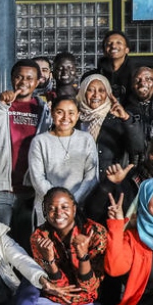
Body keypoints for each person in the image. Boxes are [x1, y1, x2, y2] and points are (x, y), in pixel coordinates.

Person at [27, 187, 109, 305]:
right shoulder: (39, 236)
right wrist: (49, 261)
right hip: (52, 303)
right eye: (52, 208)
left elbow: (90, 288)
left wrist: (83, 257)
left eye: (64, 207)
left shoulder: (95, 232)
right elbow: (57, 287)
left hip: (85, 304)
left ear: (74, 207)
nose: (58, 213)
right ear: (45, 211)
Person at [0, 60, 51, 245]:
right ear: (12, 79)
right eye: (19, 77)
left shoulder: (44, 110)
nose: (23, 82)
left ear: (37, 82)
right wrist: (3, 105)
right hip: (0, 189)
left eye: (29, 78)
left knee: (27, 244)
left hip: (31, 191)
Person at [28, 97, 99, 226]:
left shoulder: (86, 139)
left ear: (78, 115)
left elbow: (91, 176)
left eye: (71, 113)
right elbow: (37, 178)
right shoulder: (40, 141)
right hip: (48, 208)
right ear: (52, 113)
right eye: (60, 112)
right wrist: (58, 203)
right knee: (47, 244)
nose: (66, 117)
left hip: (79, 207)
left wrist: (72, 202)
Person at [75, 74, 145, 172]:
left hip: (108, 183)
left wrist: (126, 119)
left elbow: (138, 147)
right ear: (83, 92)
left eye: (101, 90)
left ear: (108, 93)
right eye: (90, 90)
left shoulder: (117, 118)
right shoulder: (75, 119)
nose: (96, 95)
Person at [84, 30, 135, 102]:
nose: (113, 46)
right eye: (109, 43)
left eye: (118, 43)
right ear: (104, 51)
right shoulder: (91, 77)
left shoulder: (136, 75)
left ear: (127, 49)